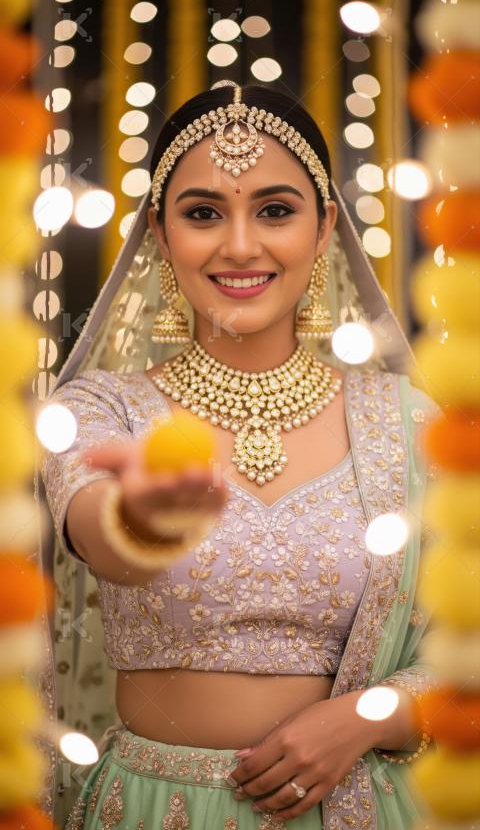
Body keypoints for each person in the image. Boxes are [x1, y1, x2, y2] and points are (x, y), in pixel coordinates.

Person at [38, 82, 440, 830]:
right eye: (202, 214)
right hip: (157, 810)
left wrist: (369, 715)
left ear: (323, 229)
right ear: (160, 232)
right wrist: (145, 517)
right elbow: (99, 531)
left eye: (276, 211)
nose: (241, 245)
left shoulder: (409, 423)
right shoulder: (99, 410)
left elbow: (467, 649)